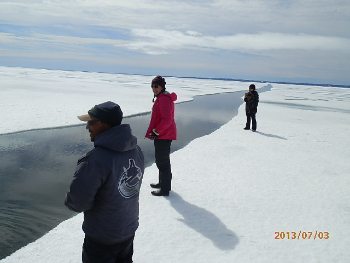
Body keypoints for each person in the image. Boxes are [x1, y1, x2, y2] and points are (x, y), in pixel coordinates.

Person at [65, 101, 144, 263]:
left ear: (104, 125)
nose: (87, 127)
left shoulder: (95, 160)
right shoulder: (136, 150)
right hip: (128, 229)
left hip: (102, 238)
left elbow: (77, 203)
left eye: (91, 122)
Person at [145, 76, 177, 197]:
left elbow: (167, 120)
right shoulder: (161, 97)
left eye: (156, 86)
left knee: (162, 162)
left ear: (162, 86)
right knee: (161, 161)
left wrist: (156, 131)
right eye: (152, 86)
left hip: (164, 135)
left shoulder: (163, 99)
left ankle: (165, 189)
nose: (154, 89)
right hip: (163, 134)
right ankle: (162, 183)